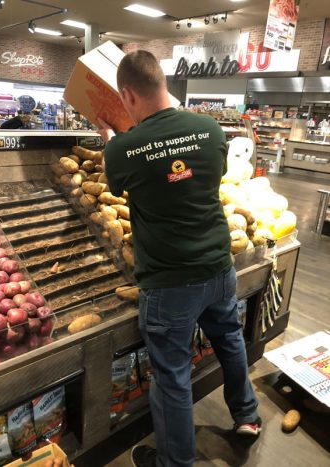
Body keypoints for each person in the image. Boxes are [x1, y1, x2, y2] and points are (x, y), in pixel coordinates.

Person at [98, 50, 261, 467]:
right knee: (228, 338)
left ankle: (176, 463)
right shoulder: (209, 129)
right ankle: (247, 417)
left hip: (169, 283)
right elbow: (203, 175)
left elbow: (118, 187)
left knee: (171, 375)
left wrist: (110, 141)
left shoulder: (124, 149)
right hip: (218, 266)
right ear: (163, 83)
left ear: (128, 95)